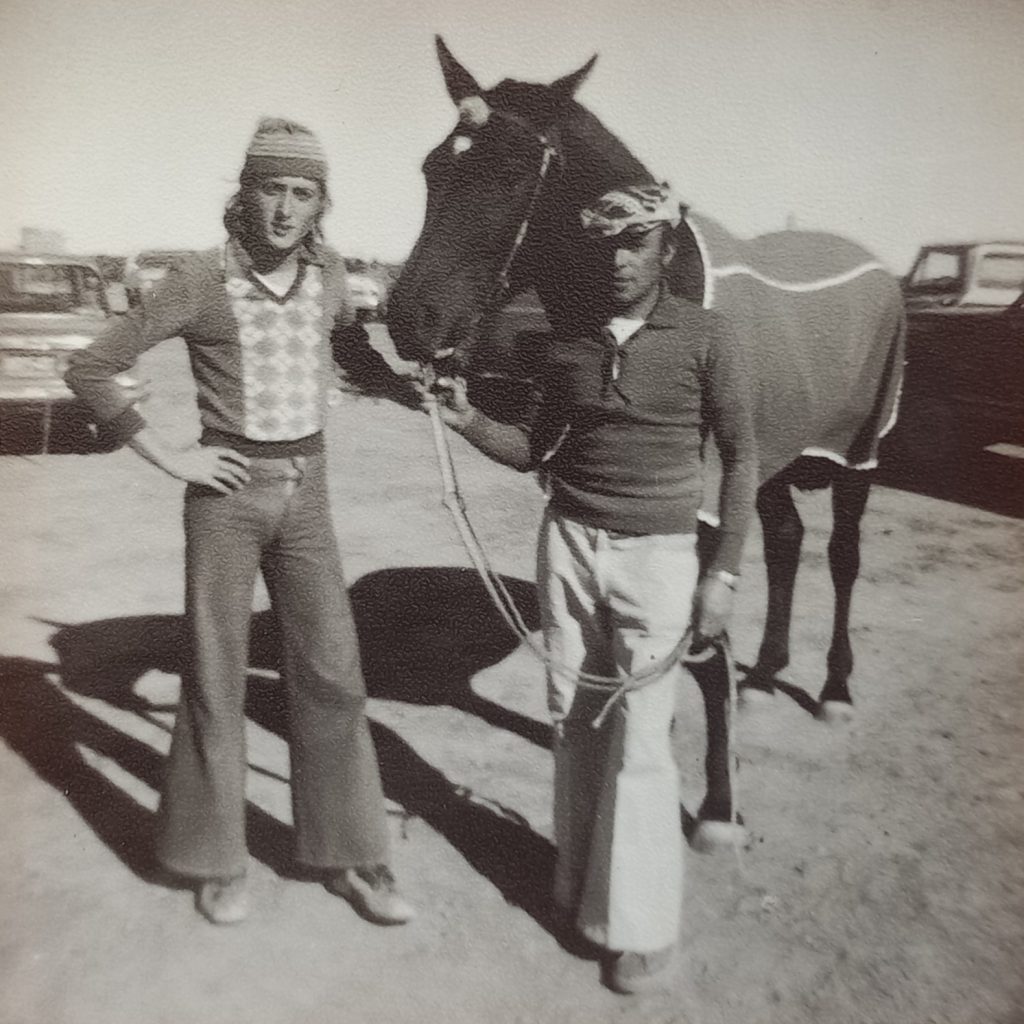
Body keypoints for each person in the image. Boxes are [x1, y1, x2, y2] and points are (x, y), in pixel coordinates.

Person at [65, 118, 413, 927]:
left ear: (321, 202)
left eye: (303, 192)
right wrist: (169, 457)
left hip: (310, 494)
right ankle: (213, 859)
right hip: (225, 498)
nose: (286, 209)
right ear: (246, 192)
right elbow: (91, 366)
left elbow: (352, 351)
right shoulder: (200, 277)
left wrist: (407, 388)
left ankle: (352, 857)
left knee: (331, 672)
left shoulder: (330, 274)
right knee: (216, 677)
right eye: (273, 189)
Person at [421, 183, 758, 994]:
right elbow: (536, 453)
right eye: (607, 243)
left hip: (661, 555)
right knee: (573, 721)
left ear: (665, 250)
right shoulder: (566, 343)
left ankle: (639, 927)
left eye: (636, 242)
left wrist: (725, 575)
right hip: (568, 544)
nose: (620, 258)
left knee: (640, 740)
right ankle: (577, 885)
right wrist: (465, 419)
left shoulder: (710, 337)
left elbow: (742, 458)